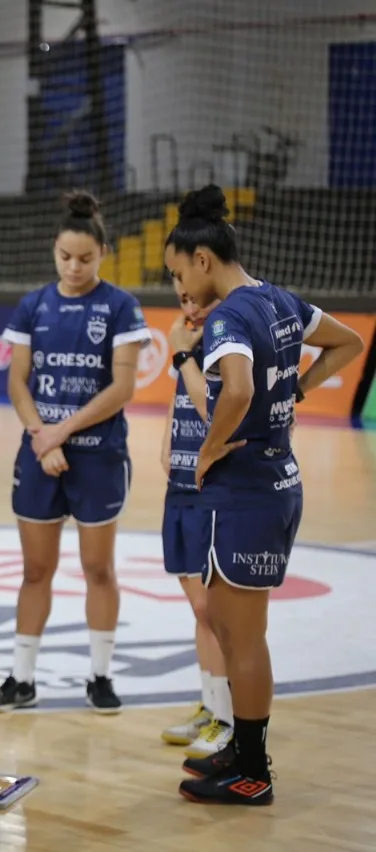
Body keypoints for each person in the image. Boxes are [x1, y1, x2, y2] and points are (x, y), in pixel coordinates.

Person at [164, 185, 364, 805]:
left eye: (178, 273)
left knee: (242, 636)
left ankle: (252, 771)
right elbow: (347, 343)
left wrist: (206, 440)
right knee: (228, 626)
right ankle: (241, 748)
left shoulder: (226, 316)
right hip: (276, 483)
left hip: (246, 493)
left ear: (203, 258)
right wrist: (300, 390)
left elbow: (238, 395)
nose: (180, 288)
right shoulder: (278, 300)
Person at [0, 190, 152, 713]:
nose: (74, 266)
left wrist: (58, 433)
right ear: (54, 251)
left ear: (103, 253)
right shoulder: (34, 304)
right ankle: (20, 679)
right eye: (65, 256)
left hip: (98, 456)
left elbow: (123, 389)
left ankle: (101, 676)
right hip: (41, 453)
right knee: (35, 571)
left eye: (85, 258)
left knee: (98, 569)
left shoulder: (120, 306)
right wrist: (43, 436)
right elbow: (18, 381)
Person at [157, 278, 232, 758]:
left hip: (213, 490)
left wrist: (184, 356)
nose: (191, 307)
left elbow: (216, 405)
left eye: (199, 300)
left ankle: (227, 717)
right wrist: (166, 439)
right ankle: (211, 706)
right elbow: (180, 398)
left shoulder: (229, 342)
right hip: (180, 485)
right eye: (183, 298)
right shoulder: (186, 339)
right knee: (198, 610)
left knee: (214, 612)